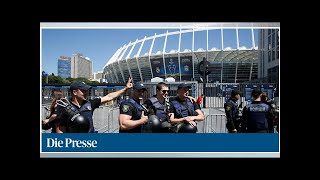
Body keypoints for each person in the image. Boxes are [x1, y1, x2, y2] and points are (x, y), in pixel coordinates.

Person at [55, 77, 133, 133]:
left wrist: (125, 88)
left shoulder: (90, 104)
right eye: (83, 91)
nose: (86, 93)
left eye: (86, 90)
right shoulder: (64, 107)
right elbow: (60, 129)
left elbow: (109, 97)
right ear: (74, 92)